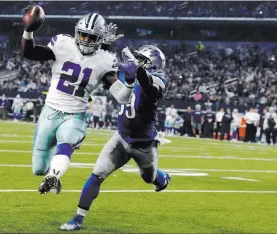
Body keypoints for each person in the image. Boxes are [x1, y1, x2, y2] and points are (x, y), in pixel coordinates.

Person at [21, 6, 134, 195]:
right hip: (50, 111)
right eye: (83, 35)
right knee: (38, 168)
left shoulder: (105, 60)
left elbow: (122, 97)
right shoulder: (63, 44)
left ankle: (54, 176)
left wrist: (130, 81)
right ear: (76, 33)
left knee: (66, 143)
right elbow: (30, 53)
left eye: (92, 37)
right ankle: (51, 172)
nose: (87, 41)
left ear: (99, 39)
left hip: (75, 113)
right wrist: (28, 30)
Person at [60, 45, 171, 231]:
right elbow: (106, 73)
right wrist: (102, 47)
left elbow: (149, 86)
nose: (135, 61)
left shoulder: (159, 80)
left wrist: (137, 71)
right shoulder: (126, 73)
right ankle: (77, 219)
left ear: (151, 63)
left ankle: (161, 179)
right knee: (97, 175)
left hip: (144, 145)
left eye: (141, 59)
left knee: (148, 177)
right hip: (120, 138)